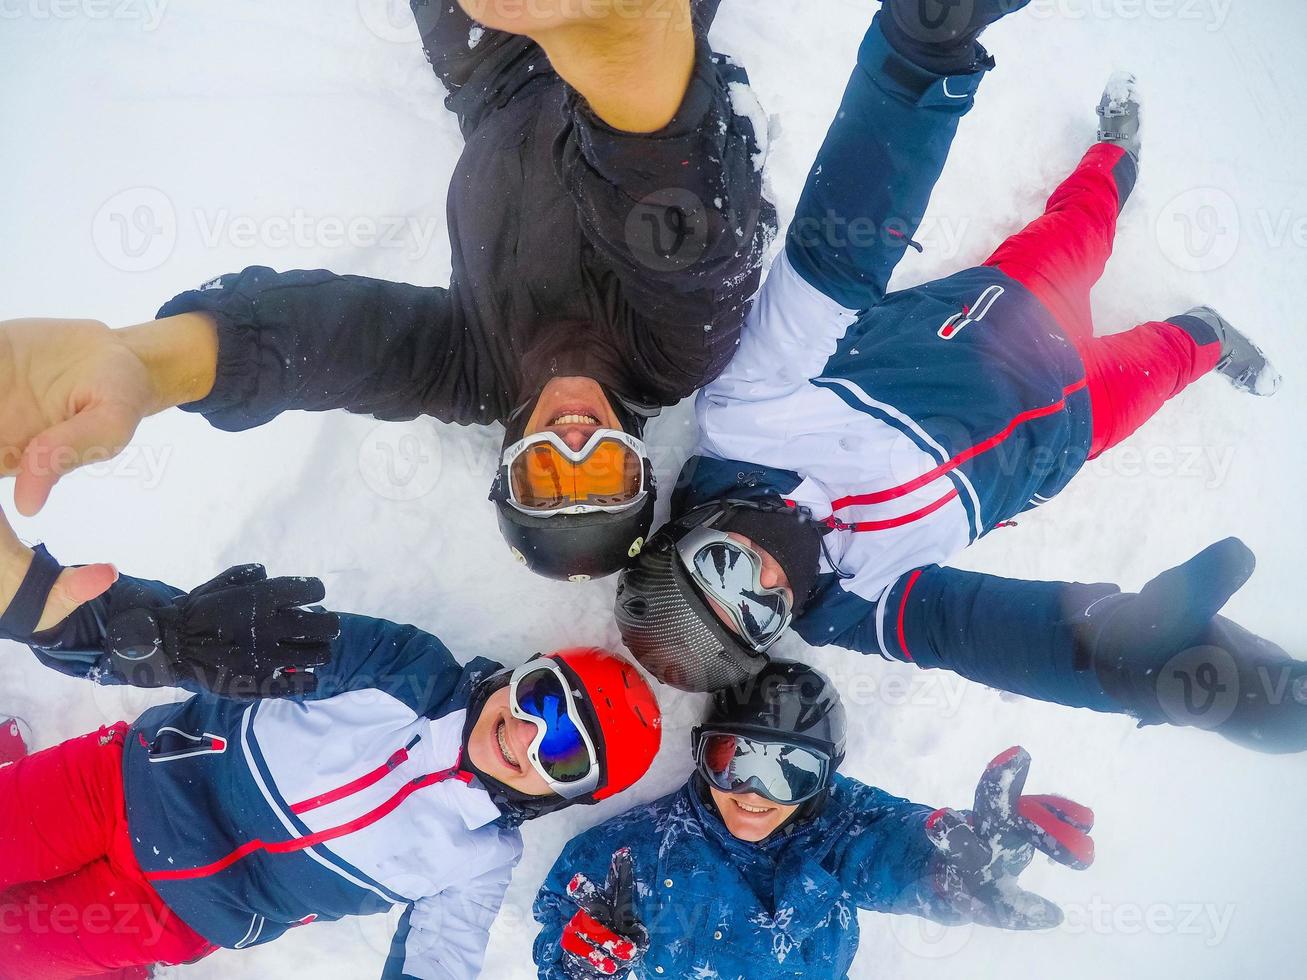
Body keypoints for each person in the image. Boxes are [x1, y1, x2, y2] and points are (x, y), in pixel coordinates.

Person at [612, 6, 1307, 753]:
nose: (771, 585)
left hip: (1007, 321)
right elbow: (976, 634)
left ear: (694, 531)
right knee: (1163, 365)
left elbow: (831, 261)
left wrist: (915, 60)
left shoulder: (747, 416)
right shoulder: (851, 606)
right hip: (1057, 443)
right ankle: (1207, 334)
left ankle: (1114, 155)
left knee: (1081, 227)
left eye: (727, 571)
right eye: (760, 617)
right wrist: (1125, 665)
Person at [0, 0, 774, 583]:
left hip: (493, 75)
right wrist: (624, 43)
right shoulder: (673, 350)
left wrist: (152, 368)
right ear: (637, 457)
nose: (575, 439)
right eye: (603, 472)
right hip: (636, 53)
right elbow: (678, 219)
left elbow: (321, 344)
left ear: (509, 463)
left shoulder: (470, 373)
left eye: (549, 474)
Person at [0, 518, 662, 979]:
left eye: (565, 754)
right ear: (521, 672)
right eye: (540, 698)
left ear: (563, 796)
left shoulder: (479, 861)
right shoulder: (404, 669)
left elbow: (437, 964)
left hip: (165, 917)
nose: (526, 734)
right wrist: (71, 620)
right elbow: (228, 646)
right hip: (118, 787)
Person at [533, 661, 1095, 978]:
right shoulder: (625, 854)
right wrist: (580, 967)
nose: (754, 794)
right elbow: (556, 940)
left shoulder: (837, 826)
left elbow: (893, 848)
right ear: (704, 755)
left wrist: (950, 877)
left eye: (791, 773)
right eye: (734, 761)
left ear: (825, 779)